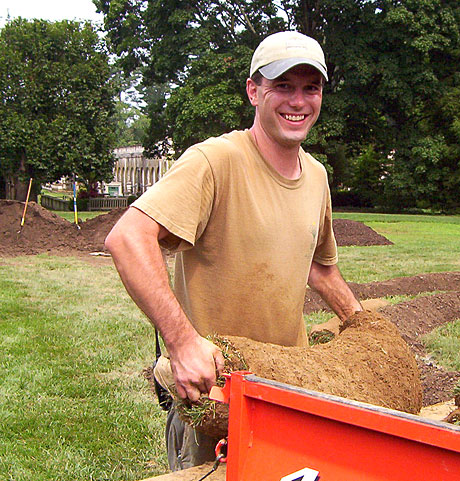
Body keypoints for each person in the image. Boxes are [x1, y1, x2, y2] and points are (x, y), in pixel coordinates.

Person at [105, 30, 363, 470]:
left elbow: (321, 269)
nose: (298, 101)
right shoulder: (215, 161)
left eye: (310, 88)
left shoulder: (317, 176)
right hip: (217, 394)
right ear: (254, 90)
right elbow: (128, 238)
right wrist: (183, 343)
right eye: (283, 86)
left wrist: (364, 328)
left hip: (288, 389)